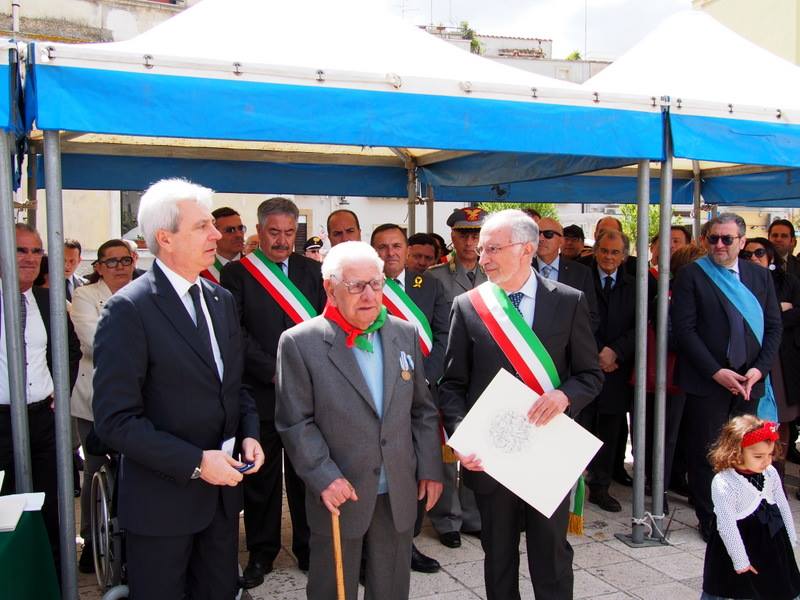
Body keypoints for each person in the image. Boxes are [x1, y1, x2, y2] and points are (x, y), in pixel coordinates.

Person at [92, 179, 263, 600]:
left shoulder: (221, 300)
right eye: (202, 226)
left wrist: (250, 433)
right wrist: (197, 462)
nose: (216, 234)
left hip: (221, 504)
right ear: (165, 238)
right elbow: (115, 420)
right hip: (162, 509)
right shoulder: (128, 309)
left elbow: (234, 385)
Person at [439, 210, 603, 600]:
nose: (483, 258)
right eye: (482, 249)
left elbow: (590, 375)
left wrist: (564, 395)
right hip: (492, 457)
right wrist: (463, 438)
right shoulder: (469, 305)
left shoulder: (568, 301)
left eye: (493, 249)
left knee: (551, 556)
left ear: (527, 249)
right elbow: (452, 385)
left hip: (547, 452)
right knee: (498, 556)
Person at [275, 241, 443, 600]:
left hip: (397, 487)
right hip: (339, 490)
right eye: (355, 286)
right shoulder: (300, 343)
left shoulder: (404, 333)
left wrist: (430, 467)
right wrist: (324, 476)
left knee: (391, 587)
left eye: (376, 284)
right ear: (330, 288)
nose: (369, 295)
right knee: (332, 588)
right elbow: (295, 422)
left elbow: (422, 410)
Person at [220, 197, 325, 587]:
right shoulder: (238, 274)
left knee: (304, 472)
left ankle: (308, 548)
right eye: (274, 232)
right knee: (260, 478)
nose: (282, 241)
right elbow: (236, 332)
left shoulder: (312, 271)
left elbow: (325, 324)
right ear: (259, 231)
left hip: (307, 393)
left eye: (288, 233)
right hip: (260, 392)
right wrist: (276, 372)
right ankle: (261, 552)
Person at [671, 212, 782, 541]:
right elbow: (685, 330)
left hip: (750, 382)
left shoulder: (759, 276)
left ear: (742, 242)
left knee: (746, 451)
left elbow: (773, 327)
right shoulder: (692, 275)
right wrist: (716, 372)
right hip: (708, 381)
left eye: (727, 239)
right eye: (713, 238)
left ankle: (743, 512)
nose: (719, 244)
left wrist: (758, 369)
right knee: (708, 453)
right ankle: (711, 518)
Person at [1, 223, 81, 584]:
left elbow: (71, 351)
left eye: (36, 251)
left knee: (51, 509)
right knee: (6, 513)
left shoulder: (48, 302)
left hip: (44, 423)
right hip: (2, 423)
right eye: (21, 250)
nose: (30, 258)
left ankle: (52, 584)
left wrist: (59, 393)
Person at [371, 224, 449, 570]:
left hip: (419, 394)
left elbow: (444, 334)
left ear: (406, 250)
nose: (390, 253)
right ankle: (369, 550)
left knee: (414, 466)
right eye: (382, 247)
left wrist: (425, 378)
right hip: (376, 396)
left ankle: (408, 543)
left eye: (396, 246)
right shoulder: (364, 284)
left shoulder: (428, 285)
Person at [69, 238, 135, 573]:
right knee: (94, 469)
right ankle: (90, 539)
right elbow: (95, 342)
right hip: (94, 400)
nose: (120, 267)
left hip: (139, 400)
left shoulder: (145, 292)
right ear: (98, 267)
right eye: (112, 261)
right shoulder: (84, 296)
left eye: (125, 260)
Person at [426, 207, 486, 542]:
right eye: (464, 234)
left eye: (476, 234)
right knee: (448, 448)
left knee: (479, 444)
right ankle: (447, 518)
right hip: (448, 372)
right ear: (452, 236)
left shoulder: (495, 273)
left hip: (483, 372)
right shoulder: (435, 277)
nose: (470, 241)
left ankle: (473, 514)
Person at [701, 416, 800, 600]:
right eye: (758, 456)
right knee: (735, 589)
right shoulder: (724, 482)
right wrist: (740, 561)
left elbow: (782, 505)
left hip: (771, 540)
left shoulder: (770, 473)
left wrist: (790, 538)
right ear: (736, 452)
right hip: (739, 542)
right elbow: (726, 525)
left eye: (770, 454)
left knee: (777, 585)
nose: (766, 461)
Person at [580, 230, 640, 513]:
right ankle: (572, 486)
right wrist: (596, 353)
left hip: (617, 368)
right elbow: (577, 319)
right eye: (604, 250)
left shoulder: (635, 285)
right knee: (580, 427)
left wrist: (616, 351)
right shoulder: (582, 278)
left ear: (624, 256)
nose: (608, 257)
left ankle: (600, 487)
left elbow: (640, 325)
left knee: (609, 431)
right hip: (584, 365)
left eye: (615, 252)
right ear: (595, 252)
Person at [740, 237, 800, 483]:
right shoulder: (737, 281)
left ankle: (777, 473)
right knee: (750, 419)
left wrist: (775, 316)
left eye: (759, 253)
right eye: (747, 255)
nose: (753, 258)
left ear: (770, 257)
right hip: (749, 360)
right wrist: (778, 309)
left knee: (780, 419)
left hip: (781, 360)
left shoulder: (788, 281)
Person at [533, 216, 599, 332]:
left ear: (561, 241)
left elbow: (591, 316)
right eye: (537, 233)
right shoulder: (522, 269)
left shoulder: (581, 273)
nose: (541, 238)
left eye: (548, 234)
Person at [428, 207, 487, 304]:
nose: (468, 243)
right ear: (453, 238)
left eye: (475, 237)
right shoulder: (435, 276)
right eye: (463, 236)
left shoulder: (492, 276)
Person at [200, 206, 246, 283]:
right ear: (213, 234)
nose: (239, 235)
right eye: (230, 230)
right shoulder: (201, 271)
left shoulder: (254, 267)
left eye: (240, 228)